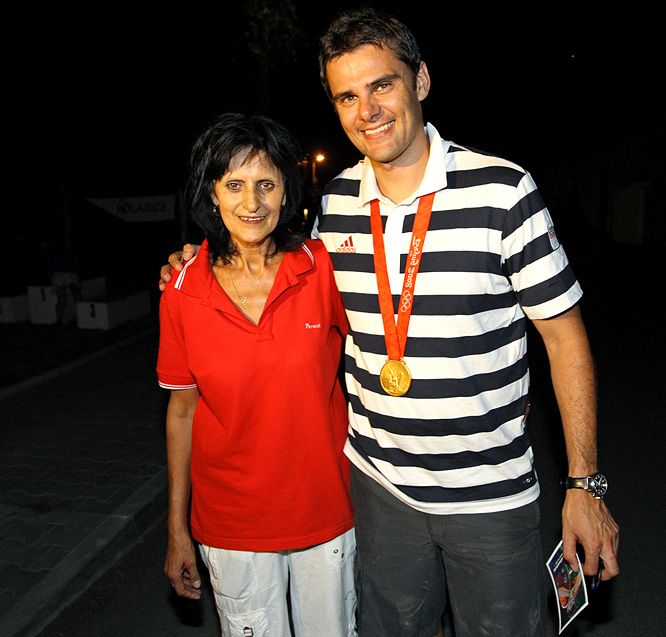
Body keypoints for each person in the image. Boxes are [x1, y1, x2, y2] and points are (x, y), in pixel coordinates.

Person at [159, 8, 620, 636]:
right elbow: (260, 258)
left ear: (420, 81)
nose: (367, 109)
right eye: (348, 95)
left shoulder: (503, 191)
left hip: (489, 498)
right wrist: (195, 260)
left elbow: (566, 339)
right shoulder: (332, 209)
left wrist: (584, 484)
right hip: (379, 495)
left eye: (382, 85)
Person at [156, 112, 356, 637]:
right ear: (212, 193)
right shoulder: (182, 290)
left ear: (287, 192)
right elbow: (181, 412)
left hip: (324, 510)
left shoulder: (322, 268)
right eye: (236, 185)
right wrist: (177, 528)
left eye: (267, 184)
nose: (252, 203)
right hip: (231, 522)